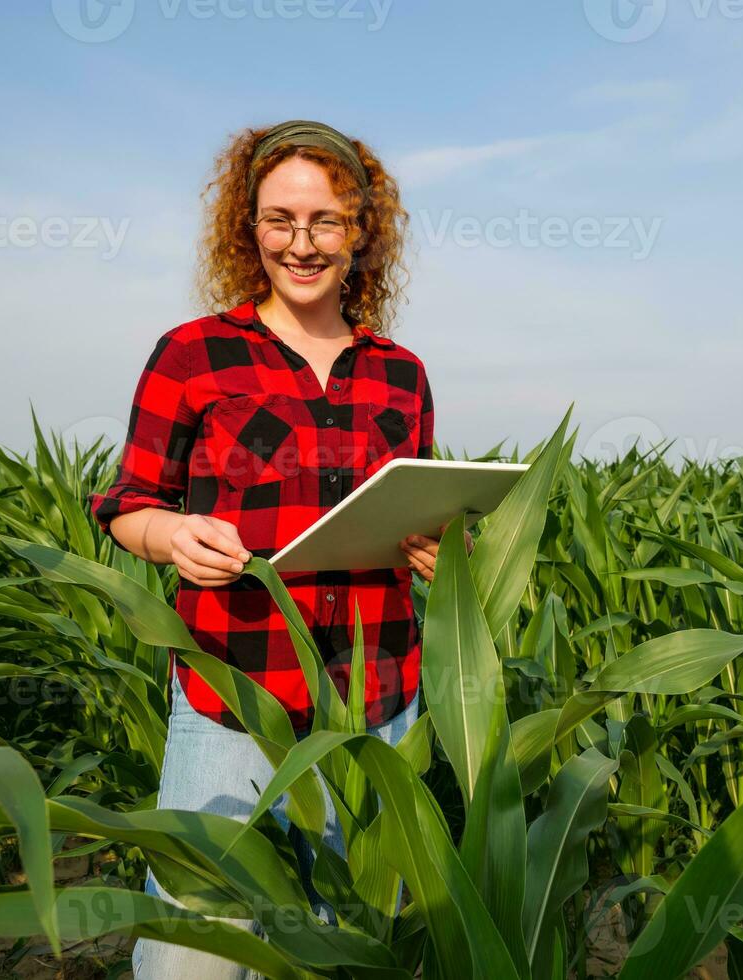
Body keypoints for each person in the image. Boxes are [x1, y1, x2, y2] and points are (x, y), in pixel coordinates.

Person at [88, 119, 459, 979]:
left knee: (353, 945)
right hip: (234, 697)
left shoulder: (399, 372)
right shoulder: (194, 355)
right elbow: (126, 503)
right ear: (247, 228)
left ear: (361, 231)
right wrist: (172, 533)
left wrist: (441, 550)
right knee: (197, 956)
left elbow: (421, 512)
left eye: (325, 221)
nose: (302, 243)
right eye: (279, 219)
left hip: (374, 701)